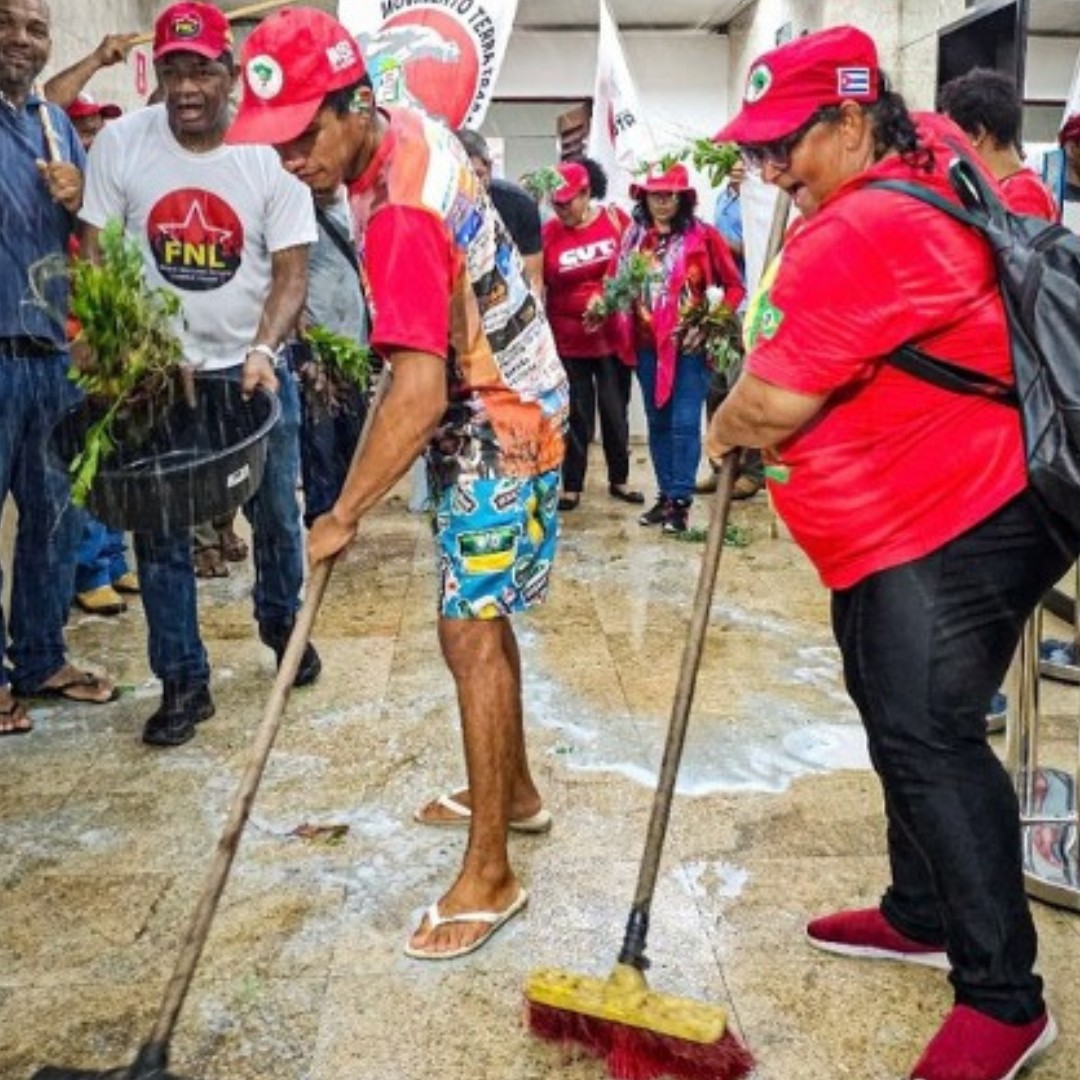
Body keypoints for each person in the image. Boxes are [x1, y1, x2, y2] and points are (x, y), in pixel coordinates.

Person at [708, 25, 1077, 1080]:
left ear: (856, 119)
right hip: (908, 516)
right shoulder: (922, 173)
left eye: (787, 142)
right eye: (756, 147)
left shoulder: (859, 227)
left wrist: (727, 427)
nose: (769, 167)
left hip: (956, 516)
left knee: (930, 734)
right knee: (892, 708)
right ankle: (921, 911)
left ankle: (1006, 1001)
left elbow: (777, 398)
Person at [226, 6, 568, 960]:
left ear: (355, 104)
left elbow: (417, 397)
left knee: (469, 633)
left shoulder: (402, 213)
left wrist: (340, 513)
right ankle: (520, 791)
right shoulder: (399, 134)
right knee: (482, 617)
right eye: (276, 139)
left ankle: (491, 870)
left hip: (498, 417)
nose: (291, 158)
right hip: (500, 387)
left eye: (303, 134)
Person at [79, 0, 320, 748]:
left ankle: (282, 624)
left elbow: (290, 273)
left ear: (232, 75)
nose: (187, 87)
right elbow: (92, 253)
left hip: (249, 375)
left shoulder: (267, 154)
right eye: (174, 69)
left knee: (277, 518)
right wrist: (125, 349)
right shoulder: (122, 143)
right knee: (160, 534)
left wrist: (262, 349)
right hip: (159, 378)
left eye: (202, 71)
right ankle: (183, 679)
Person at [0, 0, 118, 736]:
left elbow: (92, 238)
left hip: (51, 355)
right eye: (7, 21)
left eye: (36, 28)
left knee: (55, 518)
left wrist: (83, 204)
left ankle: (40, 657)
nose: (21, 38)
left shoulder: (54, 128)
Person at [937, 66, 1060, 730]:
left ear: (978, 134)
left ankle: (981, 694)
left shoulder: (1019, 199)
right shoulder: (1012, 191)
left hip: (1013, 409)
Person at [609, 163, 745, 534]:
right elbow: (614, 284)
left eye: (670, 195)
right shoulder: (633, 239)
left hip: (690, 346)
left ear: (682, 198)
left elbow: (735, 287)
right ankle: (666, 495)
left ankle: (681, 503)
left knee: (685, 424)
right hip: (647, 346)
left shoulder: (704, 236)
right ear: (645, 197)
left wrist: (711, 319)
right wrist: (606, 307)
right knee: (658, 423)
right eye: (656, 194)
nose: (663, 202)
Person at [541, 159, 640, 511]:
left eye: (568, 201)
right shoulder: (549, 233)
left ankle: (620, 478)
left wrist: (607, 299)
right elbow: (541, 282)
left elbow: (634, 271)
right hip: (567, 339)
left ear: (586, 193)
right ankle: (572, 484)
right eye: (556, 203)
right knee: (576, 414)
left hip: (611, 337)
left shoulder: (616, 222)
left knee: (615, 409)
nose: (562, 209)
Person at [291, 186, 370, 527]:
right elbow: (287, 271)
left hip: (354, 337)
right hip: (315, 338)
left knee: (353, 424)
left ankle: (347, 502)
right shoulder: (296, 211)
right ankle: (321, 510)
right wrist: (297, 320)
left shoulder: (356, 208)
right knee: (318, 428)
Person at [698, 154, 764, 500]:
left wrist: (722, 245)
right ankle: (722, 465)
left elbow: (756, 246)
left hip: (749, 304)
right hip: (722, 305)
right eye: (732, 163)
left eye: (742, 162)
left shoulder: (758, 201)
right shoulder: (723, 198)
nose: (737, 168)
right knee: (717, 389)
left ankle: (753, 470)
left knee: (744, 389)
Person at [937, 68, 1058, 220]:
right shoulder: (1011, 188)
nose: (947, 145)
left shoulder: (1022, 196)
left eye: (951, 134)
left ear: (978, 134)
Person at [454, 127, 544, 295]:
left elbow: (533, 279)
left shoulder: (520, 205)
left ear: (488, 166)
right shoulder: (440, 207)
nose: (472, 186)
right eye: (463, 179)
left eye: (477, 175)